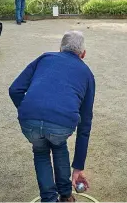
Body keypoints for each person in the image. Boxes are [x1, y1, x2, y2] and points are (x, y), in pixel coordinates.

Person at [8, 31, 95, 202]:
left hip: (29, 122)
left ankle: (49, 199)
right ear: (83, 54)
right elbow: (85, 124)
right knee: (58, 142)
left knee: (41, 152)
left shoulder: (45, 58)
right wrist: (78, 167)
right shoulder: (87, 74)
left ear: (60, 49)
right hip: (61, 126)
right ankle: (65, 195)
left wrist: (26, 110)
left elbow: (14, 90)